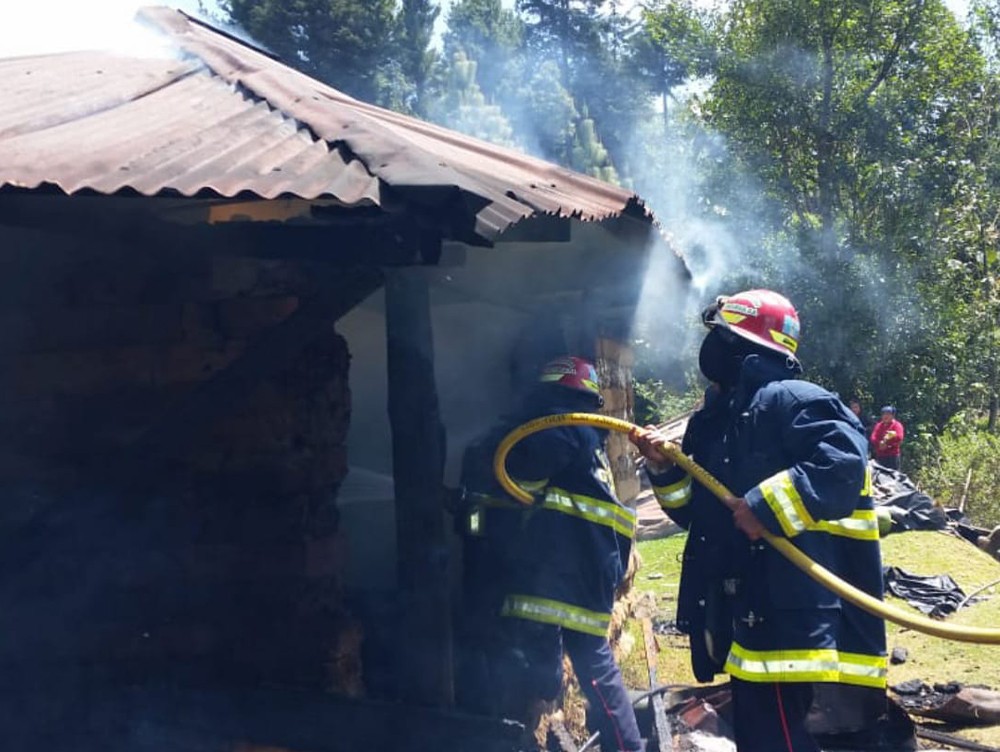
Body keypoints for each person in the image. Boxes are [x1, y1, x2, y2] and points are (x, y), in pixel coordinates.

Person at [630, 290, 887, 752]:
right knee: (761, 736)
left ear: (738, 345)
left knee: (777, 739)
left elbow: (844, 466)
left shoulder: (795, 400)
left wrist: (764, 507)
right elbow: (699, 512)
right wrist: (664, 470)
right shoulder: (719, 421)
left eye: (719, 337)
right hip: (750, 610)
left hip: (797, 614)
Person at [456, 356, 642, 751]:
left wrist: (486, 456)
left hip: (561, 572)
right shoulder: (587, 435)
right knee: (592, 667)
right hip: (586, 568)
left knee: (538, 659)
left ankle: (514, 735)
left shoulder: (560, 428)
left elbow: (520, 475)